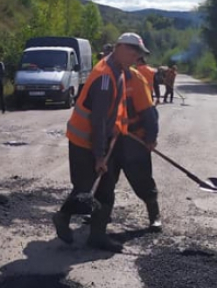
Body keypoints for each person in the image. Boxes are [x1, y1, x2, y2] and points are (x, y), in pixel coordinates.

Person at [52, 32, 149, 253]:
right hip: (84, 141)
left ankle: (97, 236)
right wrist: (99, 156)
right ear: (121, 48)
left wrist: (118, 127)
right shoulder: (105, 77)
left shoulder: (120, 72)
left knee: (105, 189)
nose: (137, 57)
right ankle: (62, 217)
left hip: (102, 139)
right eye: (134, 52)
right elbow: (97, 121)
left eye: (140, 54)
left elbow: (113, 111)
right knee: (85, 187)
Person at [115, 57, 162, 230]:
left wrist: (150, 138)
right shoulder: (104, 76)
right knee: (106, 179)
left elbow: (150, 113)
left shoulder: (136, 79)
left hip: (135, 139)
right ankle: (99, 216)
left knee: (142, 179)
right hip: (113, 140)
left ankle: (154, 215)